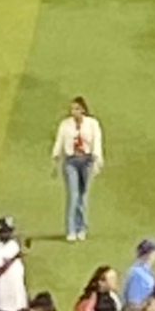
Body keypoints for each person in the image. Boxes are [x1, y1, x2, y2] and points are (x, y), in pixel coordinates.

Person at [50, 97, 103, 243]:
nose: (73, 112)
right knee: (73, 196)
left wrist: (97, 160)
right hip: (71, 161)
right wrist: (55, 158)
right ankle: (71, 229)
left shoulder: (92, 124)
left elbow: (97, 142)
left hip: (87, 161)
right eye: (72, 109)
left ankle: (82, 228)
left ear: (83, 110)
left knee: (83, 196)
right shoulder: (65, 125)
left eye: (76, 109)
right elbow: (59, 141)